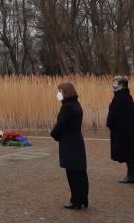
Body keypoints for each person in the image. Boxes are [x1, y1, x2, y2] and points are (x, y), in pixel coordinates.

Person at [51, 82, 88, 210]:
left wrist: (54, 134)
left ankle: (76, 200)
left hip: (69, 143)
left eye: (60, 91)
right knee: (80, 172)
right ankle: (83, 199)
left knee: (72, 173)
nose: (58, 94)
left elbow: (60, 125)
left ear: (65, 92)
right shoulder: (77, 105)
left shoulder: (67, 107)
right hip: (77, 141)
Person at [106, 76, 134, 183]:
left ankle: (131, 176)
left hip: (122, 131)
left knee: (128, 153)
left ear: (121, 85)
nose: (113, 85)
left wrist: (110, 124)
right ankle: (131, 175)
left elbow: (114, 114)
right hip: (129, 130)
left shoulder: (120, 97)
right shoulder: (127, 96)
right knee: (130, 153)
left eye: (115, 83)